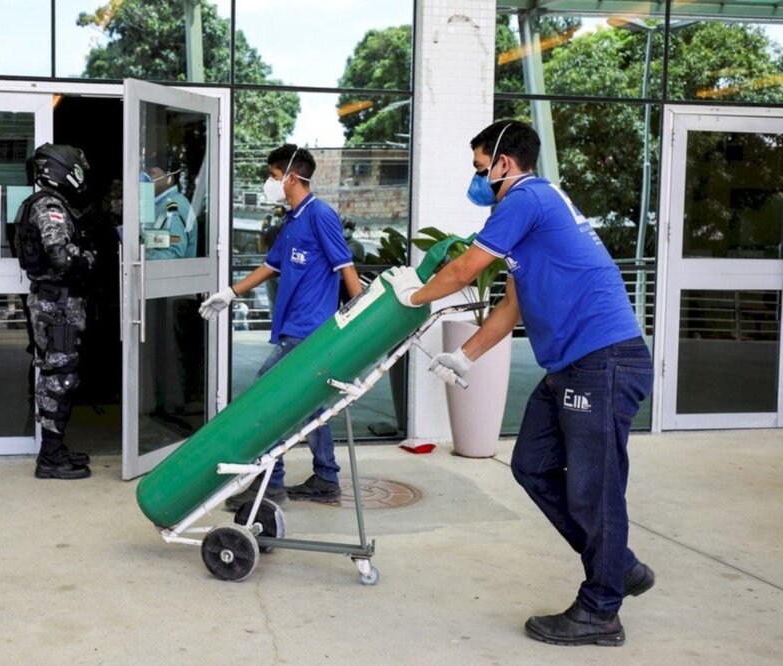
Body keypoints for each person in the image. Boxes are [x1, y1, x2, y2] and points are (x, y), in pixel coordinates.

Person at [383, 120, 654, 647]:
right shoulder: (534, 214)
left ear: (505, 163)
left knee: (593, 490)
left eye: (480, 168)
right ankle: (617, 566)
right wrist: (464, 356)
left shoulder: (526, 198)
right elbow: (511, 305)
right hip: (573, 366)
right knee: (531, 463)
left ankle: (601, 609)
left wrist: (406, 299)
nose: (477, 179)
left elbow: (463, 271)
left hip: (603, 361)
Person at [199, 144, 362, 509]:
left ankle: (269, 485)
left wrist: (358, 323)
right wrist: (229, 292)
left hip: (310, 332)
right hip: (294, 328)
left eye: (272, 176)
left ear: (290, 176)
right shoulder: (291, 219)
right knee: (313, 406)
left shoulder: (320, 214)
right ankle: (326, 478)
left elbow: (345, 266)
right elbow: (271, 266)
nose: (269, 183)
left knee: (268, 400)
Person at [13, 143, 97, 480]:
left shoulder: (43, 203)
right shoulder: (49, 206)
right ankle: (49, 456)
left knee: (59, 374)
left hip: (55, 304)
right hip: (56, 306)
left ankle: (55, 448)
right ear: (61, 170)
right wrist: (90, 258)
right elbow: (61, 259)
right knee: (59, 378)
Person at [144, 166, 197, 260]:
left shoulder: (173, 207)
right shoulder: (156, 203)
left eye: (151, 174)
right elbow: (163, 238)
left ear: (169, 178)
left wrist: (142, 256)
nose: (145, 178)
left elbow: (175, 255)